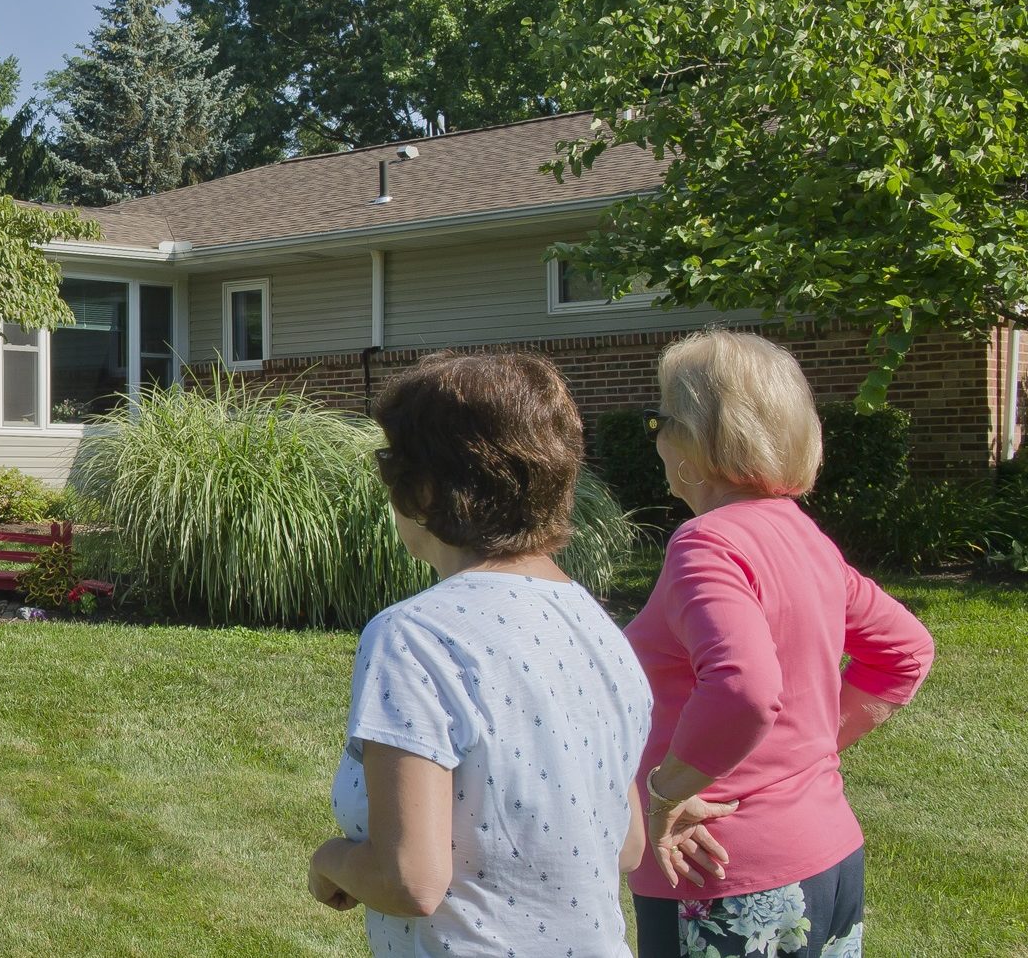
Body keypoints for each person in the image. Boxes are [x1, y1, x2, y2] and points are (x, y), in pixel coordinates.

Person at [307, 352, 652, 954]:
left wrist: (331, 861)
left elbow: (411, 880)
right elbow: (627, 846)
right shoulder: (600, 630)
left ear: (423, 489)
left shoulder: (413, 636)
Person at [629, 331, 936, 957]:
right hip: (827, 855)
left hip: (722, 872)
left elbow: (744, 690)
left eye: (660, 419)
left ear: (694, 439)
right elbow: (905, 652)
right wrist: (814, 743)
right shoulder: (802, 533)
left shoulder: (706, 543)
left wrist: (668, 793)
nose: (656, 439)